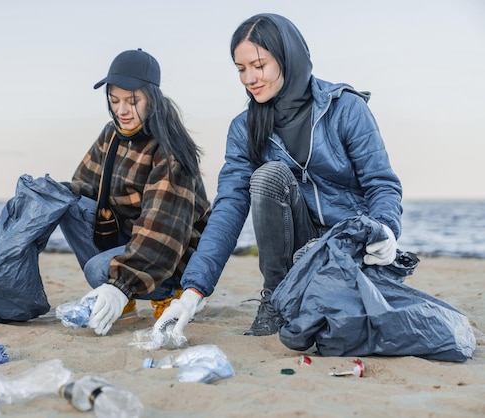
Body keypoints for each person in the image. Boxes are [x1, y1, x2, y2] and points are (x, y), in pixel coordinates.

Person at [153, 13, 402, 338]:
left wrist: (385, 229)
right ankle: (274, 298)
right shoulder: (243, 128)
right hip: (298, 243)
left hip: (347, 243)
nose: (249, 78)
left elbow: (380, 183)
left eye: (259, 65)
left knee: (344, 325)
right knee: (268, 175)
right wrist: (193, 293)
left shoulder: (345, 108)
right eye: (241, 69)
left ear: (288, 58)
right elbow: (228, 208)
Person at [59, 48, 211, 336]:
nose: (122, 110)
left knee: (97, 270)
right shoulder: (111, 133)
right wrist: (51, 192)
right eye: (114, 101)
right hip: (132, 237)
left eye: (132, 101)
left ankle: (165, 294)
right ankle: (124, 298)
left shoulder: (170, 151)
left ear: (151, 99)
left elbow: (161, 234)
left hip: (174, 253)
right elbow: (87, 187)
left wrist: (120, 285)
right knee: (68, 205)